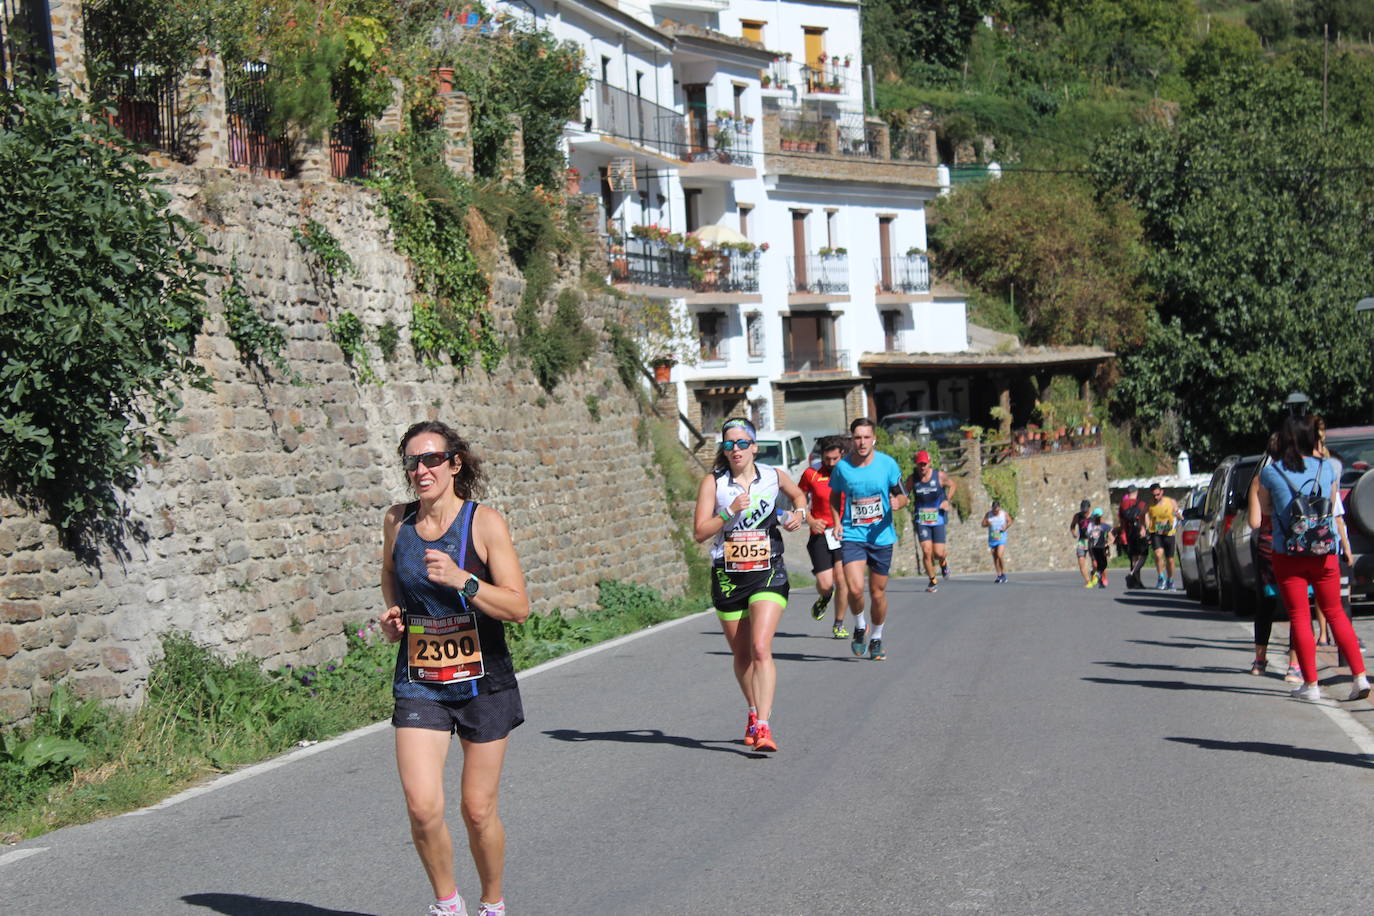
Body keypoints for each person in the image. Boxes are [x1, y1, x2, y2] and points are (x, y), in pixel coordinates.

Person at [380, 421, 531, 916]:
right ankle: (448, 904)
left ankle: (492, 903)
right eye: (412, 462)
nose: (421, 470)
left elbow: (517, 606)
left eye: (431, 460)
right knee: (423, 808)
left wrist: (465, 581)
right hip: (420, 679)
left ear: (454, 463)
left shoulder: (483, 522)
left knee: (477, 810)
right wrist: (394, 616)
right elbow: (389, 574)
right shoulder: (396, 522)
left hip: (483, 681)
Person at [693, 416, 806, 752]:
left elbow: (798, 496)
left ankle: (764, 726)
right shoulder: (713, 483)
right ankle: (753, 710)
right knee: (741, 655)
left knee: (760, 647)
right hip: (728, 575)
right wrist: (728, 512)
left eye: (742, 443)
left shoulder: (773, 476)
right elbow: (700, 532)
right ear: (724, 450)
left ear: (754, 447)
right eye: (729, 444)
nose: (736, 449)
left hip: (768, 570)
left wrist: (799, 513)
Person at [1252, 413, 1369, 702]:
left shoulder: (1271, 472)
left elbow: (1266, 513)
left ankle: (1311, 685)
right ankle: (1360, 677)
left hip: (1287, 554)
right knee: (1335, 613)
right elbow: (1330, 504)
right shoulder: (1329, 467)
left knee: (1300, 617)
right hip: (1325, 552)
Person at [829, 417, 908, 661]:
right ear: (851, 440)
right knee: (854, 588)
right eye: (857, 438)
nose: (862, 442)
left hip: (881, 536)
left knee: (877, 593)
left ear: (873, 438)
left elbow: (902, 494)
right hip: (853, 535)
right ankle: (860, 625)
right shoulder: (842, 467)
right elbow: (834, 497)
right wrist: (837, 522)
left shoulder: (887, 464)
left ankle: (876, 637)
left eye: (866, 437)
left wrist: (899, 502)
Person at [798, 436, 851, 639]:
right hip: (820, 533)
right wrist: (810, 520)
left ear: (841, 456)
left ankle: (838, 624)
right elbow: (799, 498)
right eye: (827, 459)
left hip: (844, 533)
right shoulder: (811, 474)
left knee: (842, 579)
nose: (831, 463)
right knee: (826, 583)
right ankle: (824, 597)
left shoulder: (848, 473)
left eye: (835, 459)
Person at [906, 449, 955, 593]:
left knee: (938, 553)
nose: (922, 467)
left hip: (938, 518)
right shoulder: (912, 479)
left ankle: (943, 563)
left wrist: (946, 500)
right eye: (919, 464)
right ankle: (932, 581)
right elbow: (904, 492)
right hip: (922, 519)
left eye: (924, 464)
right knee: (926, 551)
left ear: (929, 463)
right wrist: (905, 499)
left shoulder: (939, 476)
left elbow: (953, 485)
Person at [1145, 483, 1180, 590]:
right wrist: (1146, 528)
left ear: (1162, 492)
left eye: (1158, 494)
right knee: (1158, 554)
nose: (1156, 497)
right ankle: (1161, 577)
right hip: (1156, 532)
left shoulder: (1171, 502)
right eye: (1154, 495)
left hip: (1169, 533)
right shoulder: (1150, 504)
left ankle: (1170, 580)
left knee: (1170, 559)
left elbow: (1177, 513)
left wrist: (1179, 515)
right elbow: (1145, 514)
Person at [1118, 486, 1149, 589]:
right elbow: (1145, 518)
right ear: (1137, 492)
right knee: (1143, 554)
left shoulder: (1122, 504)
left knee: (1134, 557)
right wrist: (1146, 529)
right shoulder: (1141, 504)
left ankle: (1136, 582)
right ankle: (1133, 574)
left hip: (1128, 532)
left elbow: (1121, 520)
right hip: (1140, 530)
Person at [982, 500, 1013, 583]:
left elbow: (1010, 521)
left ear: (999, 508)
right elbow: (983, 524)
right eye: (994, 509)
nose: (995, 511)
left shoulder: (1003, 514)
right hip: (992, 538)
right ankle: (999, 575)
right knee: (995, 557)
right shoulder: (989, 514)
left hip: (1001, 537)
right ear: (992, 508)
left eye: (997, 510)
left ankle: (1004, 574)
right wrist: (987, 523)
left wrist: (1005, 527)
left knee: (999, 555)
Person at [1086, 508, 1113, 589]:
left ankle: (1103, 578)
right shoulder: (1091, 526)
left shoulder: (1105, 526)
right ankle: (1094, 576)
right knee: (1095, 564)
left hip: (1102, 548)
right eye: (1095, 517)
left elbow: (1112, 538)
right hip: (1093, 548)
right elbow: (1089, 538)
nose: (1097, 518)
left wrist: (1106, 544)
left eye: (1099, 516)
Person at [1069, 499, 1094, 586]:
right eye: (1083, 511)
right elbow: (1072, 526)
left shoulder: (1095, 516)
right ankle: (1088, 581)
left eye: (1086, 511)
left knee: (1095, 562)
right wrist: (1073, 533)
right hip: (1082, 541)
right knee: (1081, 561)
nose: (1084, 513)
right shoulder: (1077, 516)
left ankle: (1094, 574)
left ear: (1089, 508)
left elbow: (1104, 527)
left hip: (1093, 542)